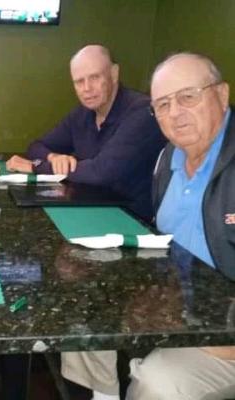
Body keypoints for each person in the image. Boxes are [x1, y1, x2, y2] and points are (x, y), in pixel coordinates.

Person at [125, 52, 235, 399]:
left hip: (224, 334)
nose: (174, 113)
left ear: (222, 94)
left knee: (158, 382)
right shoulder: (167, 158)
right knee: (86, 312)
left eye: (188, 96)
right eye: (163, 104)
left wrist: (222, 336)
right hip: (181, 307)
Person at [6, 44, 166, 221]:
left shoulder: (142, 112)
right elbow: (36, 146)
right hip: (90, 208)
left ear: (114, 74)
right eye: (79, 81)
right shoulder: (82, 114)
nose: (87, 88)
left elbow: (101, 172)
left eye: (95, 77)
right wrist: (54, 157)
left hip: (131, 219)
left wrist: (35, 167)